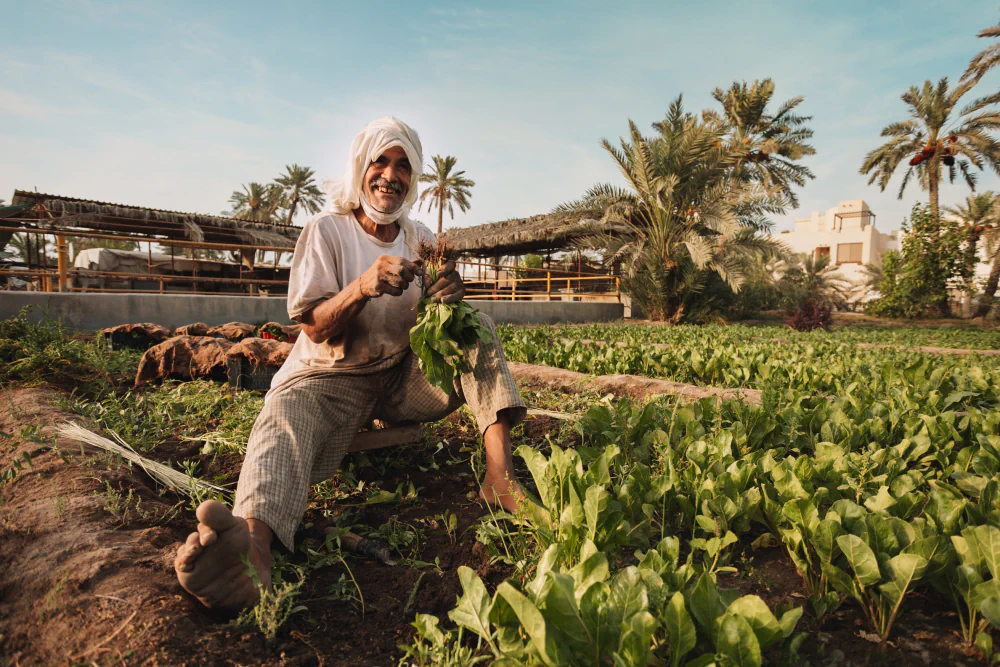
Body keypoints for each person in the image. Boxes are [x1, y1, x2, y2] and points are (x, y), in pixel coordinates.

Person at [173, 117, 527, 611]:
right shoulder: (327, 230)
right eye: (380, 161)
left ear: (413, 177)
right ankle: (252, 552)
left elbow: (440, 318)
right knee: (283, 420)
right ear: (361, 167)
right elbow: (314, 327)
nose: (390, 175)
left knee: (477, 328)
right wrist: (362, 286)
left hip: (402, 378)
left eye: (403, 165)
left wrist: (449, 295)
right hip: (329, 379)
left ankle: (499, 478)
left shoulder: (420, 237)